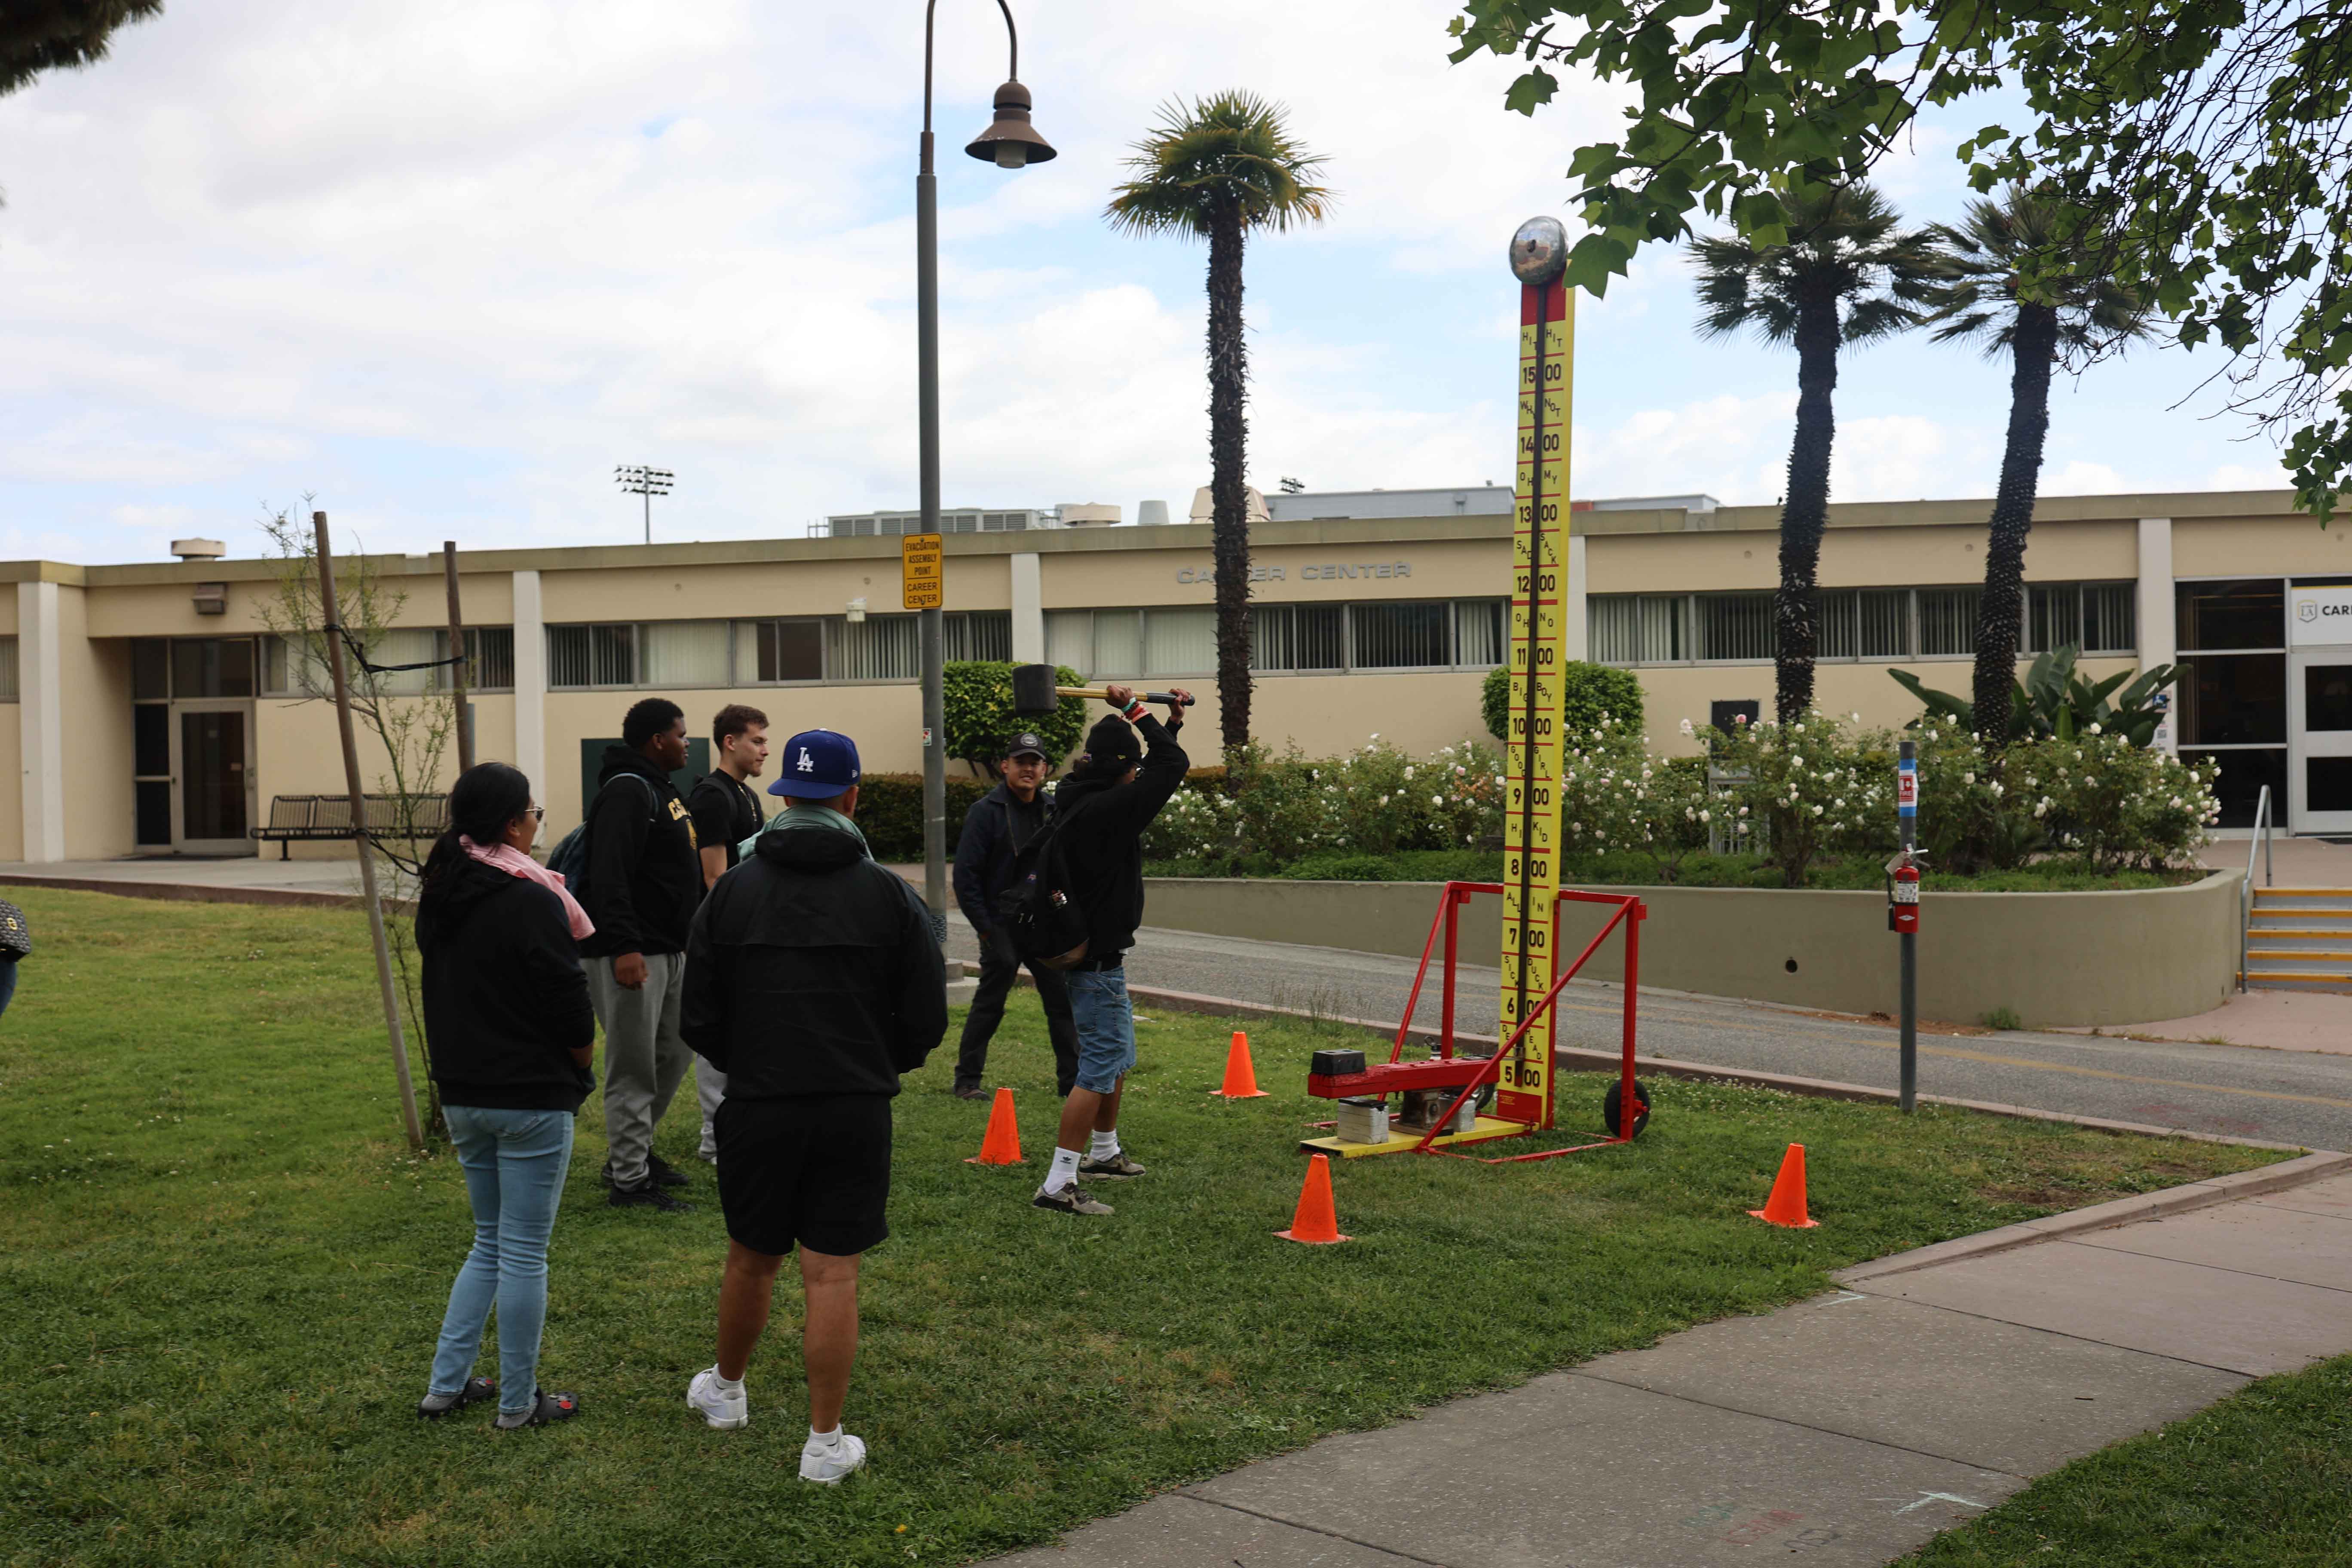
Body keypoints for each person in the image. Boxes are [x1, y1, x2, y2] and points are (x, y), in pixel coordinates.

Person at [680, 727, 946, 1482]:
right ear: (853, 797)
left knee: (750, 1258)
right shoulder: (889, 894)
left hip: (759, 1101)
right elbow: (925, 1019)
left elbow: (697, 1014)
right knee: (832, 1275)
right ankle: (824, 1443)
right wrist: (869, 1064)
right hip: (854, 1106)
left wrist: (758, 1063)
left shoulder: (734, 887)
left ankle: (726, 1392)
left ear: (782, 797)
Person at [414, 762, 597, 1429]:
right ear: (510, 822)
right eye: (533, 813)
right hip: (531, 1097)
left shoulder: (443, 891)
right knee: (521, 1250)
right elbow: (571, 1005)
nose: (535, 824)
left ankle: (446, 1386)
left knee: (489, 1242)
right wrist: (581, 1061)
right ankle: (520, 1404)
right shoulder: (528, 897)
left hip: (463, 1094)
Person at [1031, 683, 1190, 1218]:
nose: (1136, 776)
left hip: (1097, 957)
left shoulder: (1083, 794)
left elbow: (1154, 767)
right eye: (1132, 768)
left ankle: (1104, 1154)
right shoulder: (1112, 809)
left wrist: (1167, 723)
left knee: (1115, 1059)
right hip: (1095, 962)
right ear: (1123, 771)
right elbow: (1171, 767)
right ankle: (1058, 1184)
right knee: (1099, 1067)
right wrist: (1134, 710)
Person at [580, 697, 704, 1212]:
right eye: (681, 733)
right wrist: (625, 946)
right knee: (632, 1065)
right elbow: (608, 875)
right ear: (658, 740)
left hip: (670, 950)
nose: (687, 741)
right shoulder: (627, 792)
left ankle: (631, 1153)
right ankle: (629, 1180)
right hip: (631, 955)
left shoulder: (660, 788)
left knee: (674, 1053)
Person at [949, 731, 1079, 1101]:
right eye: (1020, 762)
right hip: (1000, 926)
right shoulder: (985, 812)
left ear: (1044, 769)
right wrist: (988, 933)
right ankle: (967, 1082)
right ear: (1006, 766)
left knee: (1062, 1006)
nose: (1028, 769)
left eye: (1034, 762)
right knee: (989, 1004)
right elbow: (965, 878)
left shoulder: (1055, 809)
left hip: (1046, 928)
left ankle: (1071, 1085)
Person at [686, 704, 771, 1162]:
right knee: (717, 1038)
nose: (765, 749)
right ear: (730, 742)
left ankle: (736, 1129)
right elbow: (716, 878)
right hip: (724, 936)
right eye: (757, 740)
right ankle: (714, 1140)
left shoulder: (747, 796)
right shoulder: (713, 796)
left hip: (749, 932)